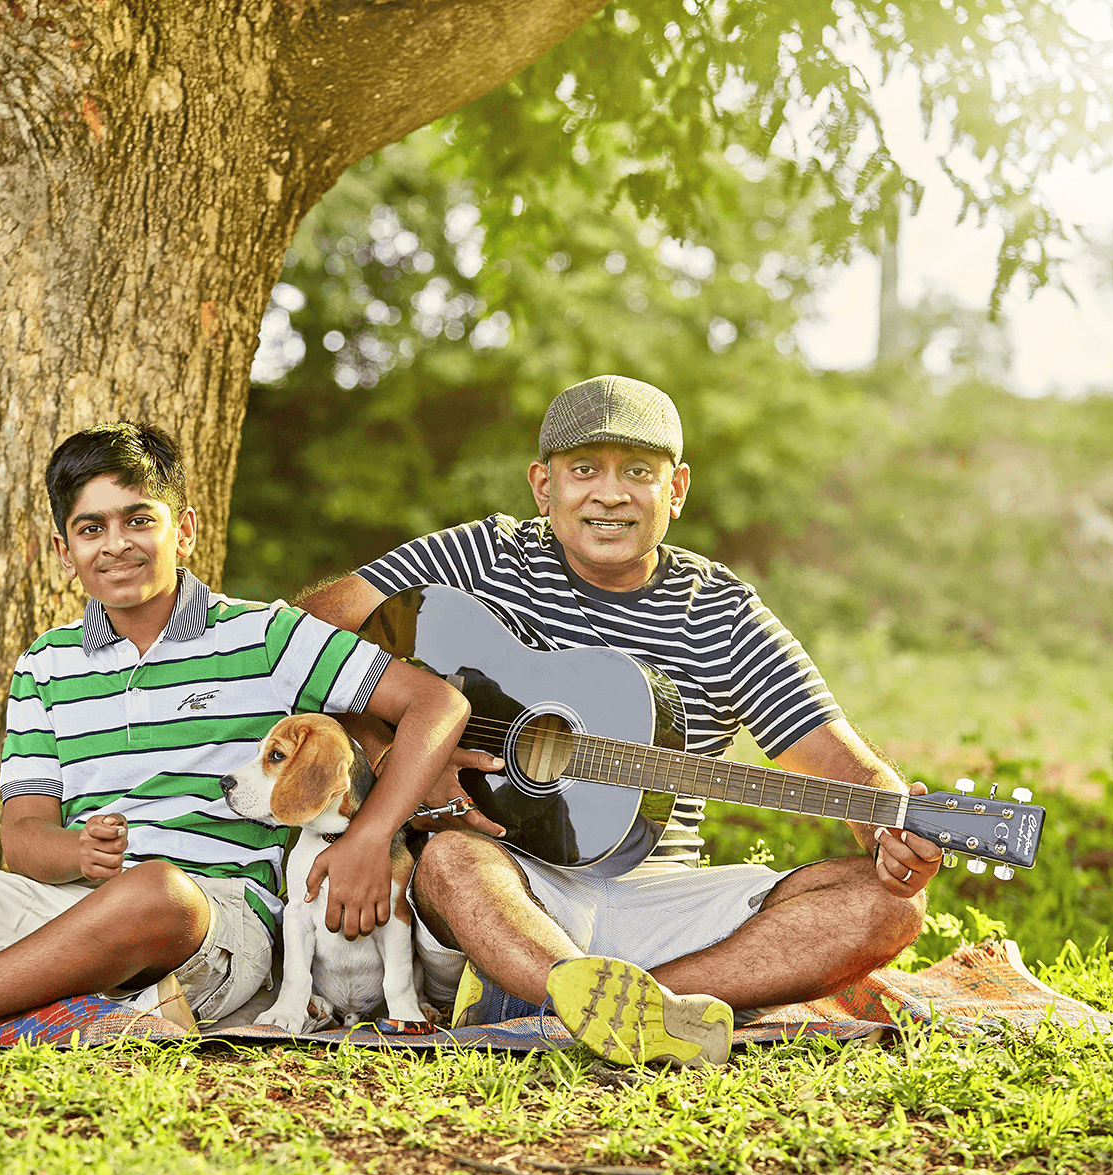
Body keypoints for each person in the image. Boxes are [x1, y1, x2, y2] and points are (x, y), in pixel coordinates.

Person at [0, 423, 469, 1046]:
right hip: (69, 909)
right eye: (91, 527)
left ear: (186, 529)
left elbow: (436, 705)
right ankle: (35, 1018)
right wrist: (75, 852)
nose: (117, 543)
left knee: (157, 890)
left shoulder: (266, 635)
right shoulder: (48, 663)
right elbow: (23, 839)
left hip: (211, 920)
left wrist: (370, 837)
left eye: (140, 518)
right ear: (62, 549)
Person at [302, 375, 945, 1067]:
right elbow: (303, 637)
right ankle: (604, 1000)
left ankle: (620, 1007)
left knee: (890, 907)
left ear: (676, 490)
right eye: (585, 470)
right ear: (543, 486)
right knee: (454, 860)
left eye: (639, 472)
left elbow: (841, 758)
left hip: (664, 904)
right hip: (511, 889)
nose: (610, 494)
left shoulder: (722, 613)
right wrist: (403, 759)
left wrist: (891, 828)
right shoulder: (483, 556)